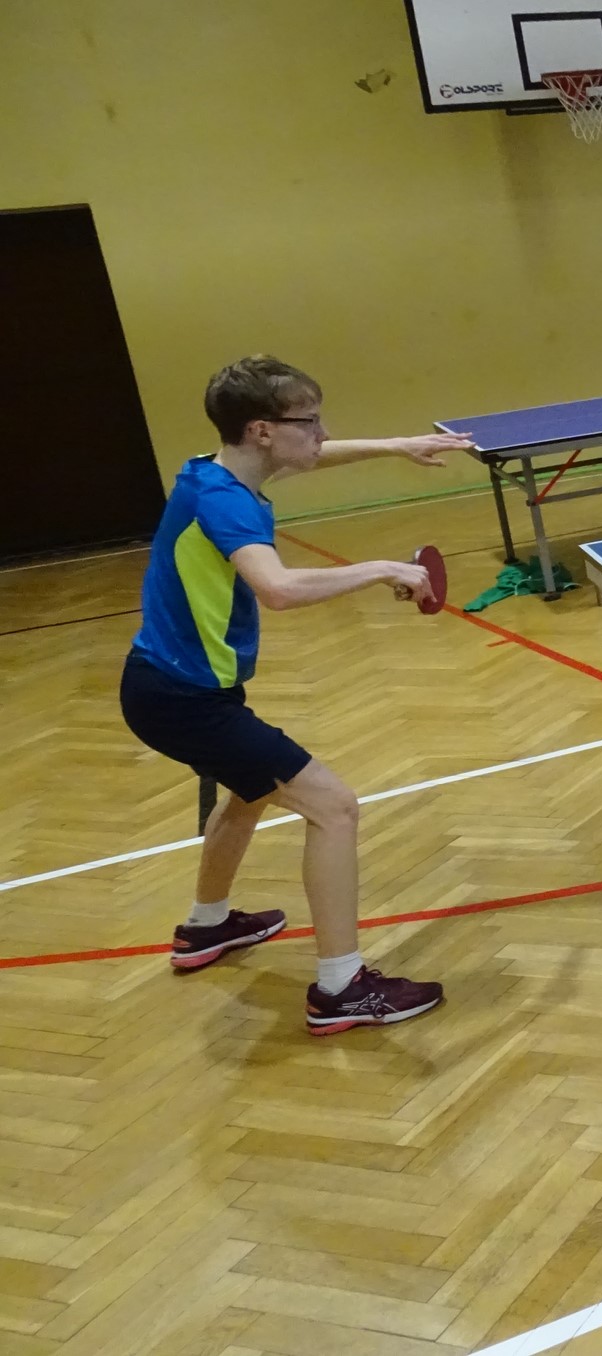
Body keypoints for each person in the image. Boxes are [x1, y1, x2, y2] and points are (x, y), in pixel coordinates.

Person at [120, 356, 472, 1034]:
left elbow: (311, 455)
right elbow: (277, 589)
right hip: (181, 699)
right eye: (309, 421)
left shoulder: (211, 471)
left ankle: (206, 927)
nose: (322, 433)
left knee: (251, 792)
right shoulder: (227, 504)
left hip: (171, 686)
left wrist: (396, 446)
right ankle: (341, 988)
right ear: (262, 430)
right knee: (334, 808)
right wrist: (380, 569)